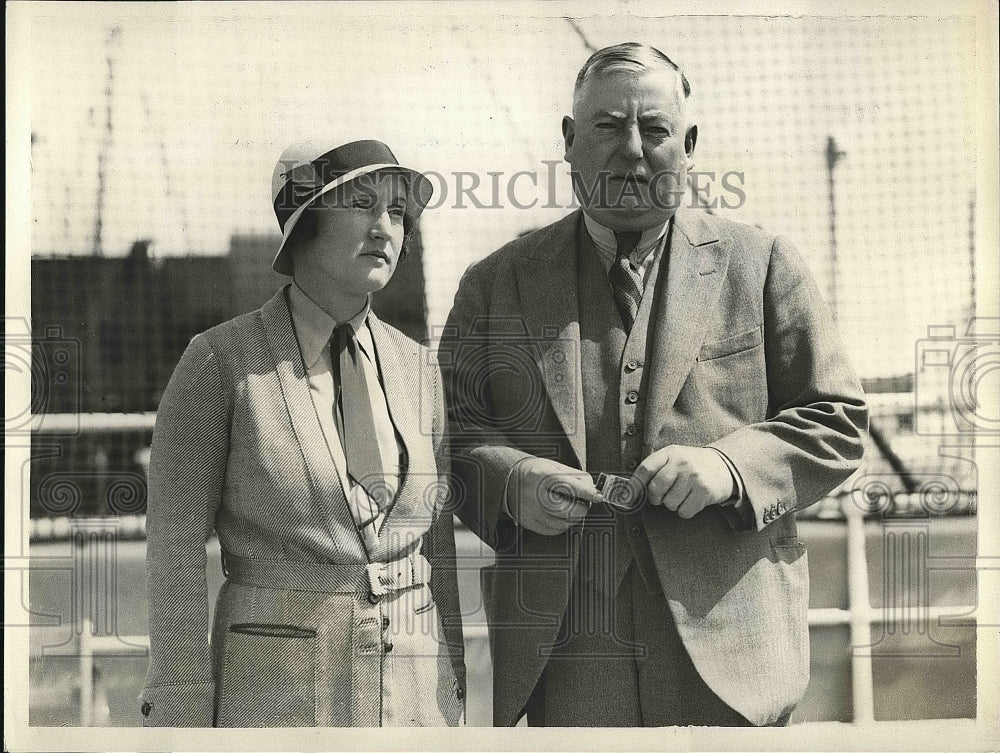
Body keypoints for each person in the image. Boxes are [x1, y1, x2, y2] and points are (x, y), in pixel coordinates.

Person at [440, 43, 868, 727]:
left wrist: (730, 466)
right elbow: (452, 434)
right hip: (567, 652)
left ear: (690, 144)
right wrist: (513, 479)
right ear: (569, 139)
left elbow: (837, 418)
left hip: (735, 659)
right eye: (607, 126)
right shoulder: (495, 284)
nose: (631, 150)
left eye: (656, 129)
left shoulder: (762, 265)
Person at [141, 137, 465, 727]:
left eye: (397, 211)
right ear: (304, 224)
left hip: (414, 701)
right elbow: (175, 551)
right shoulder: (219, 362)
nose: (385, 227)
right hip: (277, 701)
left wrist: (453, 688)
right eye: (361, 203)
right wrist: (182, 715)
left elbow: (435, 545)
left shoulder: (418, 367)